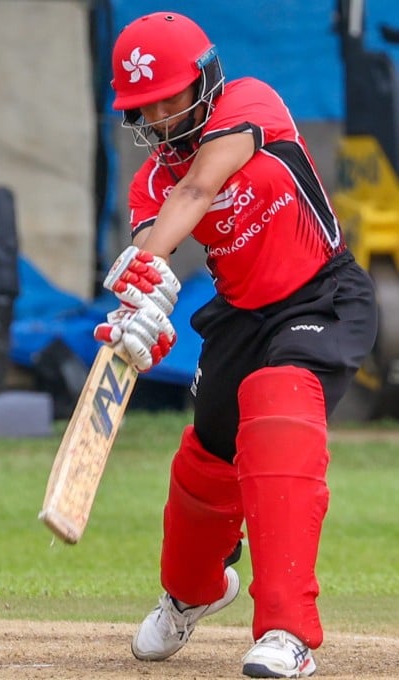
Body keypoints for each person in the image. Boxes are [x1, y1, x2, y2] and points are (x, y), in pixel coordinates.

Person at [95, 11, 378, 678]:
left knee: (275, 406)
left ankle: (287, 633)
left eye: (171, 95)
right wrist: (142, 310)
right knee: (207, 457)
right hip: (240, 317)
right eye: (146, 106)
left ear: (205, 79)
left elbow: (198, 188)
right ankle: (192, 593)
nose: (163, 116)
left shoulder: (250, 103)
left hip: (321, 296)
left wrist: (146, 263)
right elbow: (150, 248)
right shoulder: (149, 185)